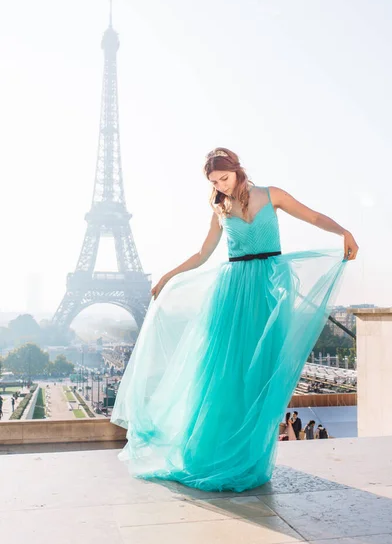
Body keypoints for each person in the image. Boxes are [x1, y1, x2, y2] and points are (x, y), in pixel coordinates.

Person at [111, 147, 358, 492]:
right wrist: (169, 275)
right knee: (224, 375)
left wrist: (343, 231)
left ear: (238, 171)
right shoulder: (219, 208)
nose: (221, 186)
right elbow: (202, 254)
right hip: (233, 293)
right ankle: (213, 454)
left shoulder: (273, 195)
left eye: (224, 178)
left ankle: (249, 456)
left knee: (260, 375)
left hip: (269, 290)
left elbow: (313, 216)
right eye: (214, 182)